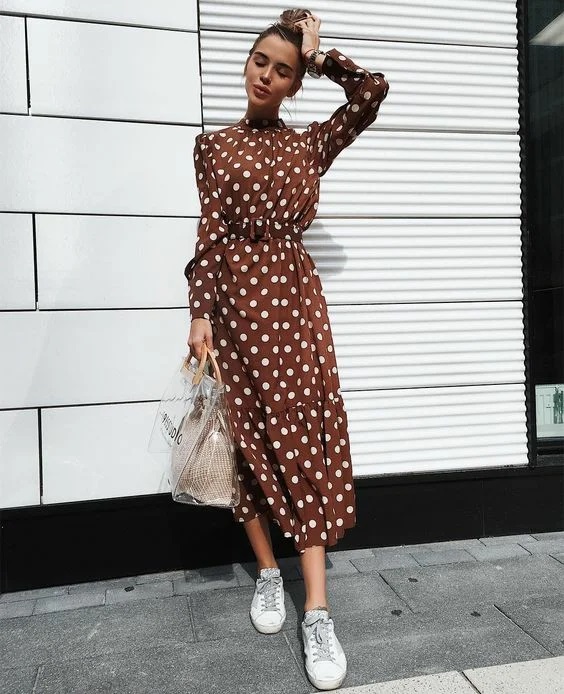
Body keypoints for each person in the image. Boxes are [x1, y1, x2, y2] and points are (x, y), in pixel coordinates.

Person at [185, 9, 389, 690]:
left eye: (283, 70)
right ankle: (269, 573)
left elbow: (371, 93)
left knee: (302, 440)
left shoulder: (308, 146)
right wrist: (199, 314)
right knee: (244, 441)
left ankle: (318, 613)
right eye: (260, 62)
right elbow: (210, 236)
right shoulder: (213, 147)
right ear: (247, 64)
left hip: (296, 310)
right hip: (235, 312)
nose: (266, 77)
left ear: (296, 83)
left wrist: (321, 55)